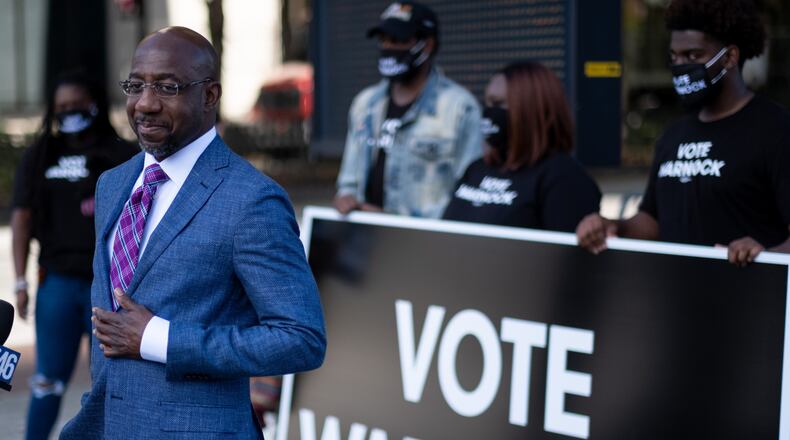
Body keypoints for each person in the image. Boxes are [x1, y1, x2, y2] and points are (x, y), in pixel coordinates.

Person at [59, 27, 325, 439]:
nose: (145, 104)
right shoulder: (112, 184)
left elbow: (301, 339)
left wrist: (160, 339)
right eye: (136, 85)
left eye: (168, 87)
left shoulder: (251, 200)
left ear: (210, 96)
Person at [576, 0, 790, 266]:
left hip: (749, 299)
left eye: (693, 55)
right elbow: (652, 220)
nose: (680, 66)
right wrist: (614, 226)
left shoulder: (775, 129)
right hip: (677, 298)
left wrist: (765, 254)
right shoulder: (674, 134)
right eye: (674, 57)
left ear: (729, 57)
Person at [11, 70, 137, 440]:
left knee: (112, 382)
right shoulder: (40, 155)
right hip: (57, 284)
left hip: (109, 289)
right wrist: (20, 281)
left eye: (76, 105)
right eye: (61, 107)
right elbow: (21, 218)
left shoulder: (120, 154)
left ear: (94, 105)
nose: (69, 112)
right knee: (47, 380)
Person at [334, 1, 482, 218]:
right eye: (383, 40)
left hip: (425, 244)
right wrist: (346, 199)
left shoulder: (460, 108)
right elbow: (348, 182)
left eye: (399, 40)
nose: (388, 47)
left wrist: (398, 220)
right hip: (368, 241)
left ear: (428, 45)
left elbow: (468, 196)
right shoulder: (365, 104)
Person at [443, 61, 601, 230]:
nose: (489, 113)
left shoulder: (563, 178)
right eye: (487, 103)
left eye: (497, 104)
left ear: (532, 109)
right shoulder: (477, 168)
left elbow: (564, 253)